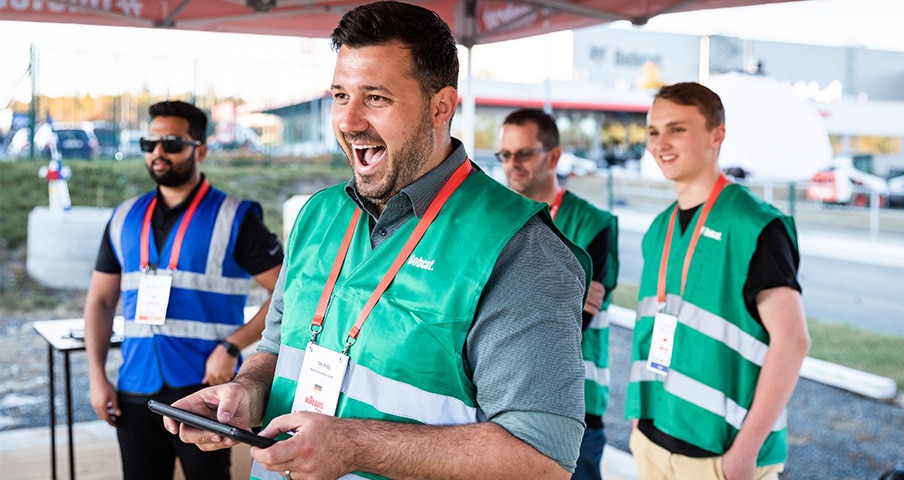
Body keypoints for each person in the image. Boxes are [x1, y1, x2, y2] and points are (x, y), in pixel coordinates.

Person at [163, 2, 591, 479]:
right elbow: (278, 347)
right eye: (340, 95)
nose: (348, 121)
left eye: (376, 98)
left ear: (440, 107)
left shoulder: (520, 249)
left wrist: (354, 445)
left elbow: (541, 459)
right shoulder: (318, 214)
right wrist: (246, 392)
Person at [83, 100, 284, 480]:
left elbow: (287, 293)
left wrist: (233, 346)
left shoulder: (235, 217)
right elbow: (100, 300)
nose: (159, 152)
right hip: (136, 387)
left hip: (204, 390)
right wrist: (97, 376)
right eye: (151, 143)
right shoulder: (123, 216)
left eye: (172, 143)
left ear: (201, 150)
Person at [624, 82, 810, 480]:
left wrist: (745, 452)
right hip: (654, 442)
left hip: (721, 458)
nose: (661, 143)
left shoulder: (755, 225)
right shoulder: (660, 229)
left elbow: (793, 342)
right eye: (653, 131)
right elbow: (662, 322)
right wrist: (640, 424)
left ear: (717, 135)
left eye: (677, 129)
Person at [498, 107, 619, 480]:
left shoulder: (593, 224)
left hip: (573, 407)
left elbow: (572, 325)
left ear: (553, 156)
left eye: (523, 153)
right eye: (505, 154)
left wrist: (506, 303)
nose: (512, 164)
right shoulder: (497, 218)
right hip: (503, 399)